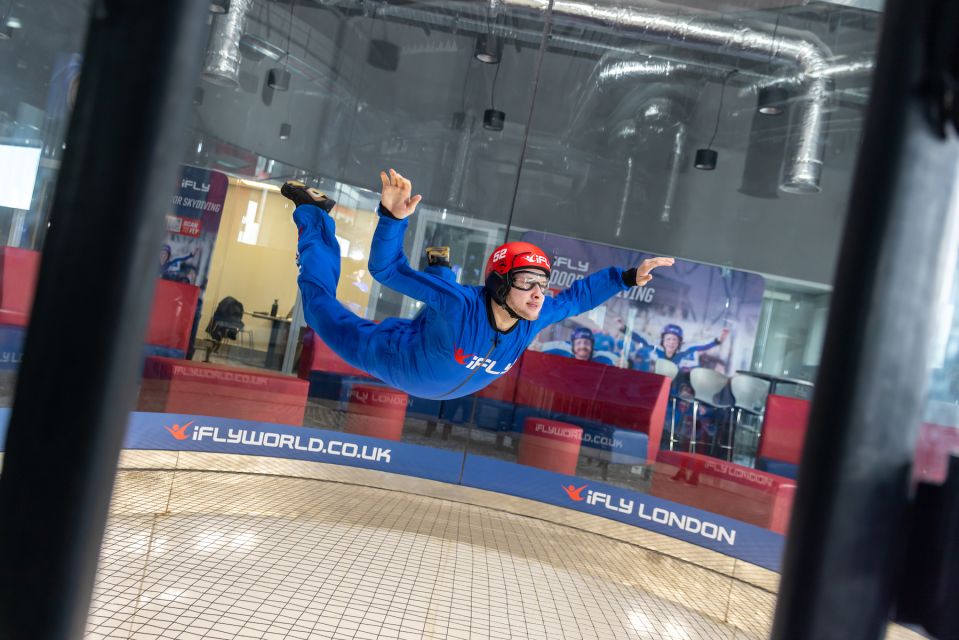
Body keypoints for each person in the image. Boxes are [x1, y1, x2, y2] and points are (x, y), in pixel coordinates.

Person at [284, 169, 674, 400]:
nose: (539, 293)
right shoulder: (461, 305)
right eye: (527, 282)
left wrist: (626, 277)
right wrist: (392, 217)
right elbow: (387, 270)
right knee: (319, 310)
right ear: (500, 285)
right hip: (393, 357)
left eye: (543, 282)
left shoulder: (532, 317)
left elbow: (577, 298)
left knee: (438, 308)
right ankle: (314, 215)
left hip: (436, 344)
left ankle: (440, 269)